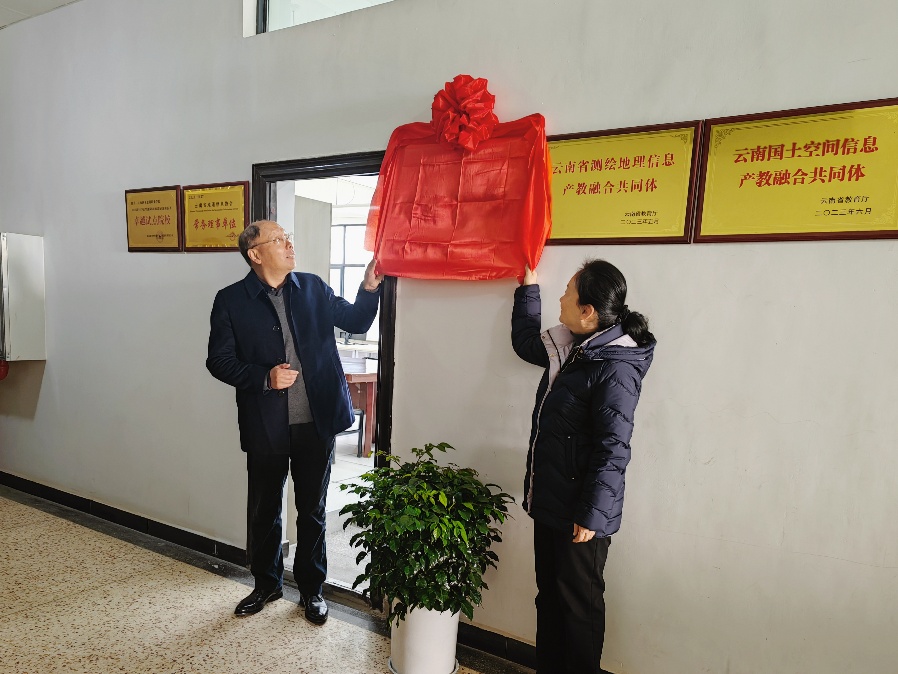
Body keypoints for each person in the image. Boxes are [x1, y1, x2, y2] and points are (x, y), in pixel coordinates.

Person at [206, 220, 382, 624]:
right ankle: (266, 584)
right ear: (255, 254)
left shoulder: (313, 288)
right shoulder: (231, 300)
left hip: (315, 422)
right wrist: (264, 377)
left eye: (288, 238)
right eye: (279, 239)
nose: (289, 244)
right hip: (265, 423)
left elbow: (356, 321)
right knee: (264, 509)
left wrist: (369, 287)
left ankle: (311, 590)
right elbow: (218, 360)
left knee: (313, 510)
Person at [511, 259, 656, 673]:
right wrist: (528, 288)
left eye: (567, 293)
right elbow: (526, 343)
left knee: (579, 610)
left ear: (587, 310)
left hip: (582, 512)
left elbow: (614, 447)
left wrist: (592, 514)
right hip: (551, 498)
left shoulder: (616, 366)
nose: (561, 298)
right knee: (549, 599)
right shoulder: (573, 346)